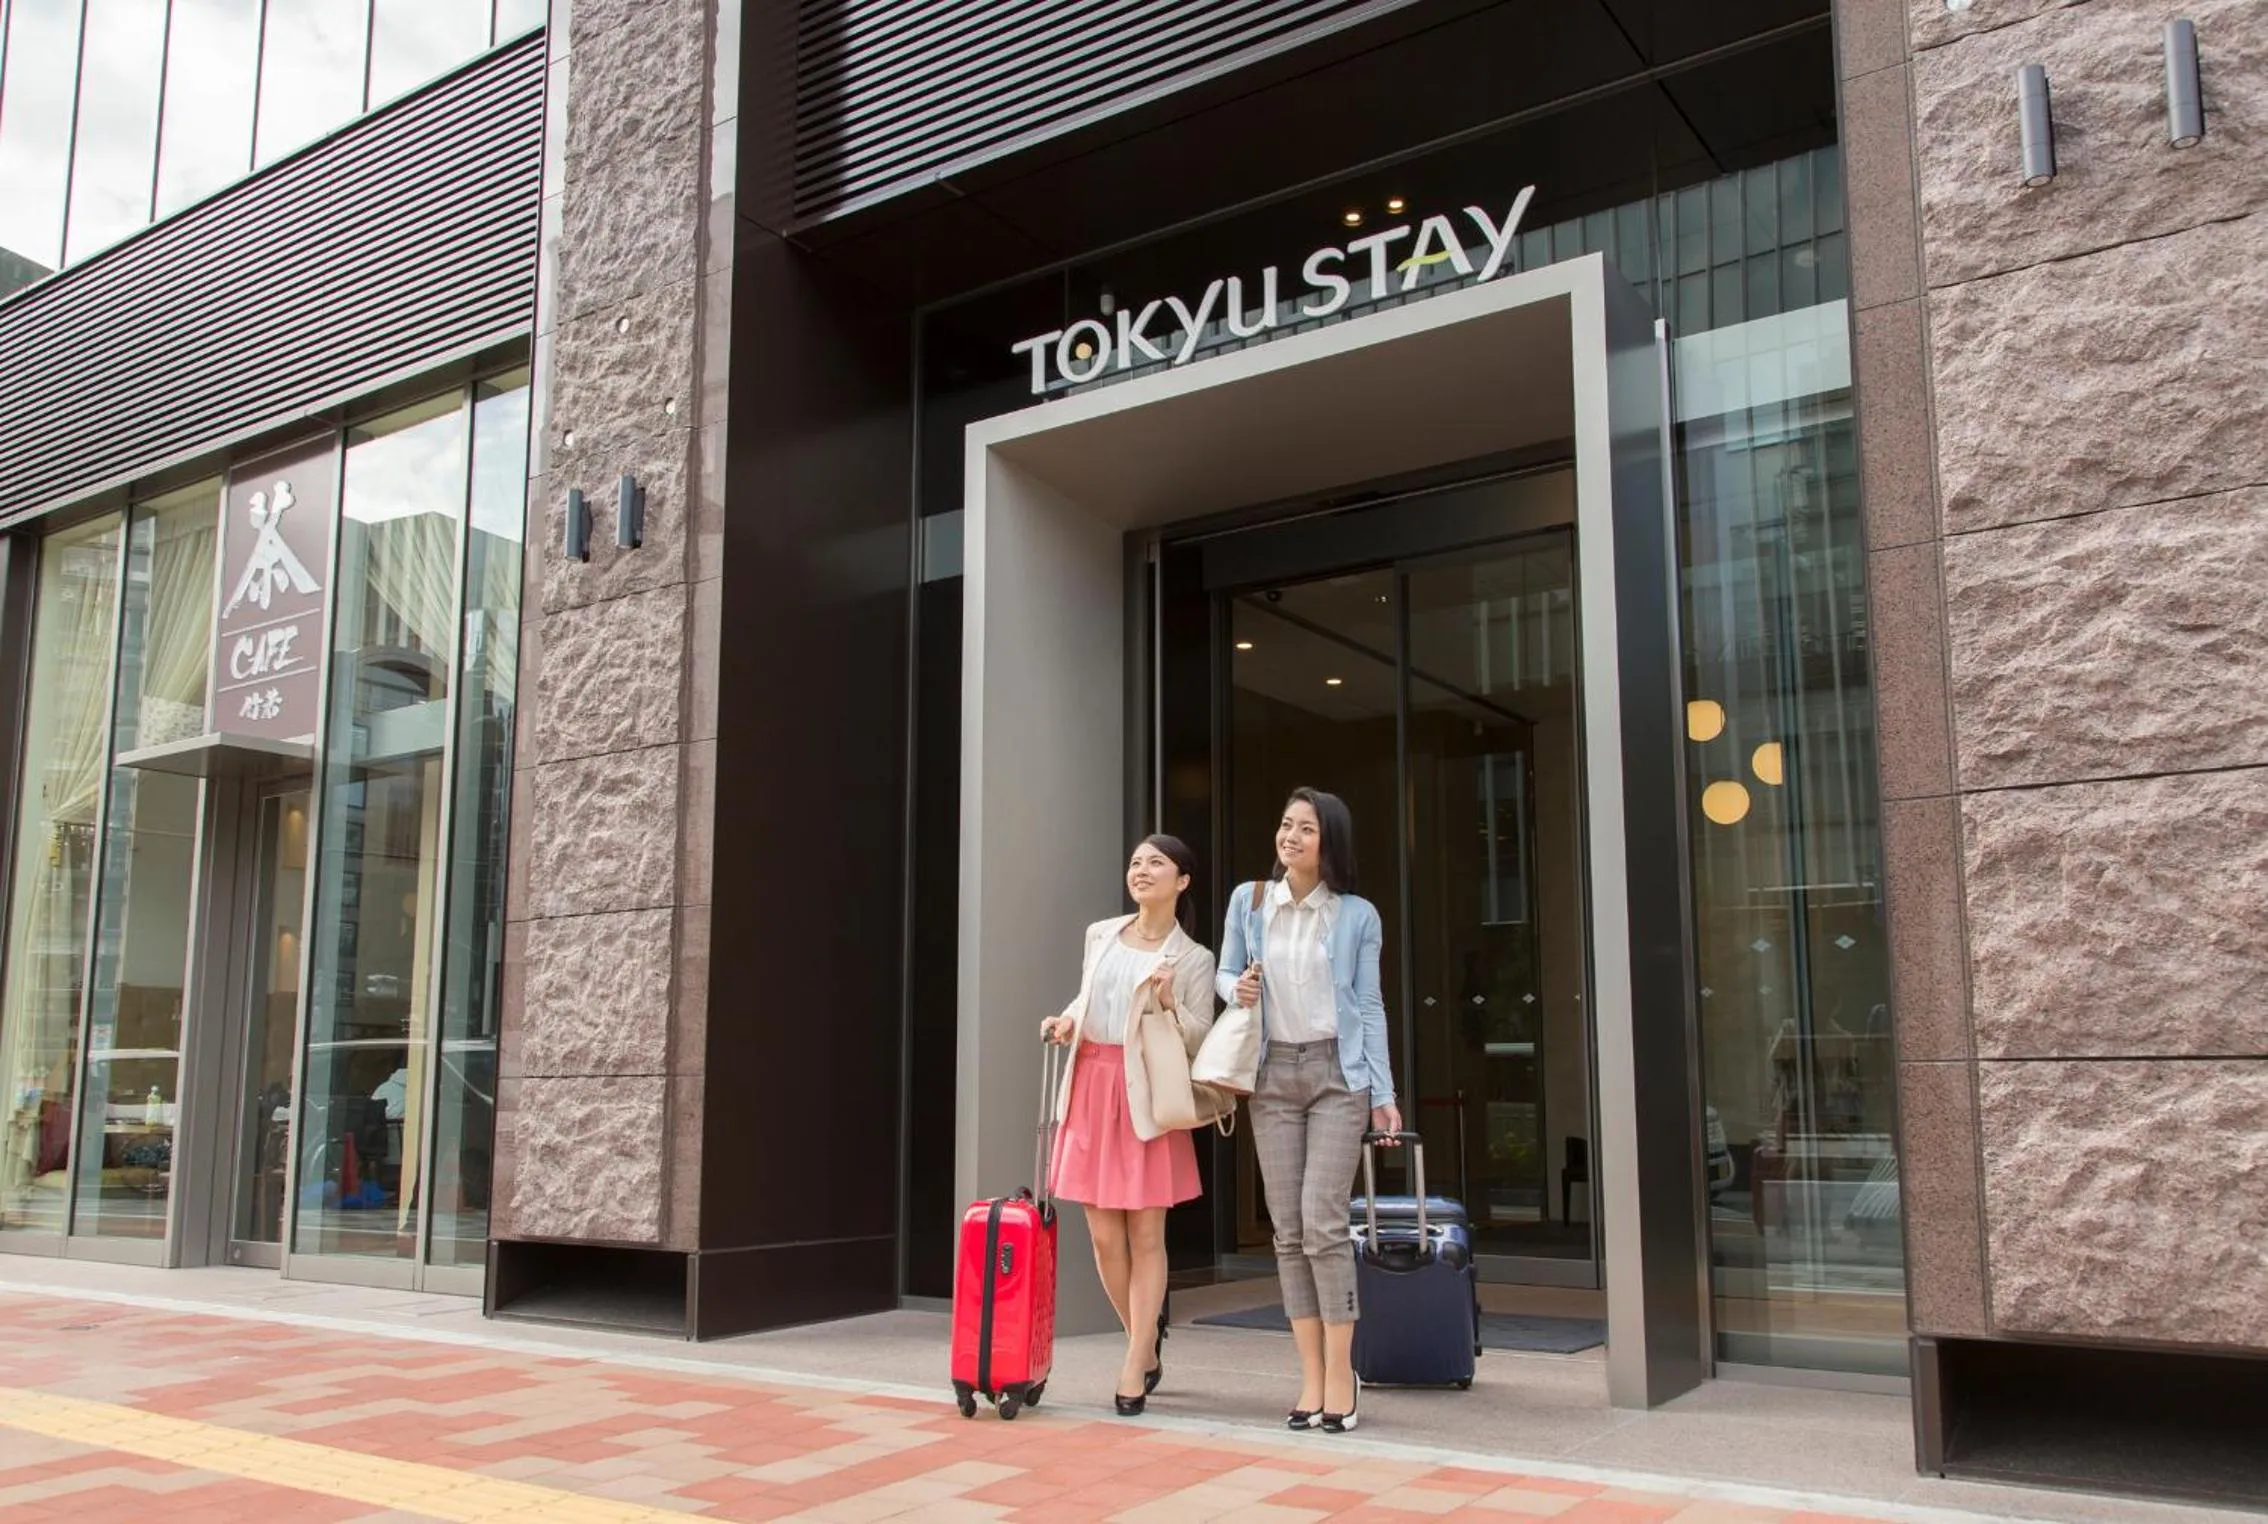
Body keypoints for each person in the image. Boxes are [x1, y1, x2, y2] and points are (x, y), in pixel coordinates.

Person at [1218, 788, 1399, 1435]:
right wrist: (1232, 986)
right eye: (1285, 824)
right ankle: (1310, 1376)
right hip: (1273, 1075)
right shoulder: (1251, 900)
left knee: (1322, 1225)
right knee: (1288, 1231)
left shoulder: (1356, 916)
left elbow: (1369, 1006)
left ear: (1330, 842)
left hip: (1335, 1075)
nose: (1290, 836)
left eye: (1306, 829)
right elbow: (1226, 972)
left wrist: (1383, 1094)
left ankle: (1341, 1374)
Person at [1041, 835, 1218, 1416]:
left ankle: (1134, 1360)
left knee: (1146, 1236)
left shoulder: (1192, 958)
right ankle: (1144, 1340)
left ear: (1182, 880)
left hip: (1147, 1092)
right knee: (1102, 1236)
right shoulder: (1101, 934)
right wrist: (1066, 1020)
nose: (1141, 870)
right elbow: (1088, 998)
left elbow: (1200, 1036)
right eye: (1136, 862)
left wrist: (1169, 1003)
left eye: (1156, 863)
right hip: (1091, 1085)